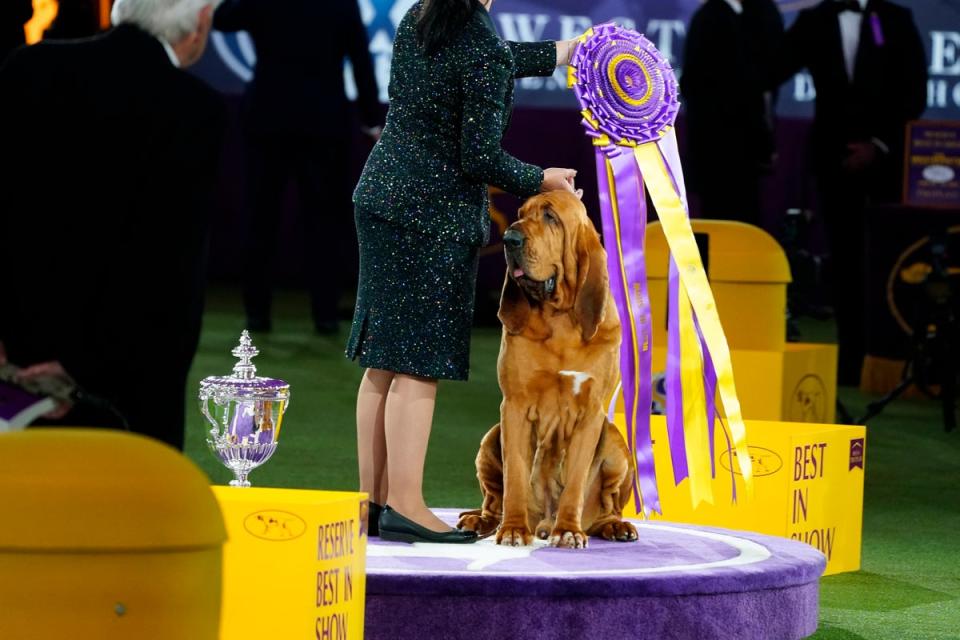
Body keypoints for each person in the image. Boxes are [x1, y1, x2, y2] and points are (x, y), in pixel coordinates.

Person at [346, 0, 579, 543]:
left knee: (383, 359)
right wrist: (542, 178)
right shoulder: (474, 36)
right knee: (417, 363)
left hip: (383, 196)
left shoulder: (424, 13)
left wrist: (562, 52)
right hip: (430, 216)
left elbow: (488, 59)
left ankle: (375, 503)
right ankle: (406, 505)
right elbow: (479, 157)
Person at [0, 0, 226, 450]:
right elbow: (170, 268)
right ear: (200, 23)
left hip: (14, 366)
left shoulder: (28, 68)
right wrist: (81, 368)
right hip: (123, 387)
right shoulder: (195, 109)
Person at [772, 0, 927, 385]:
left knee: (889, 262)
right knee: (844, 260)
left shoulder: (896, 18)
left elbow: (915, 91)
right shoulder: (814, 20)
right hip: (834, 163)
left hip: (888, 162)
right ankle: (849, 360)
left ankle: (890, 360)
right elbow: (771, 68)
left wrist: (878, 144)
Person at [214, 0, 383, 335]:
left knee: (261, 221)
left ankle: (257, 315)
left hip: (268, 119)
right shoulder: (341, 4)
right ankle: (325, 316)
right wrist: (370, 119)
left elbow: (222, 18)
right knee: (324, 224)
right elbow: (360, 57)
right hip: (323, 123)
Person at [681, 0, 784, 225]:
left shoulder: (764, 13)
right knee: (722, 227)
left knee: (747, 224)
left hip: (749, 152)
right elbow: (693, 85)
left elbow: (770, 79)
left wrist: (764, 140)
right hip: (717, 152)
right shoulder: (708, 18)